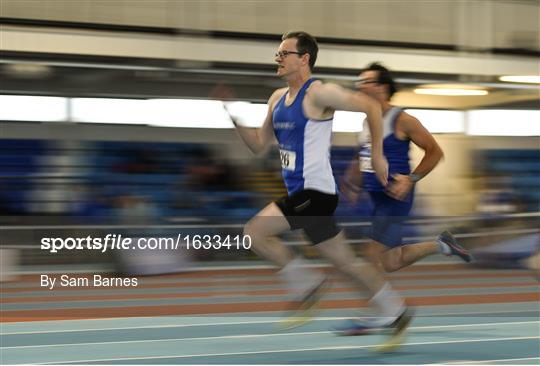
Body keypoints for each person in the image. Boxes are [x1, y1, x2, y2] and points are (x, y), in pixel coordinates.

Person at [226, 31, 412, 349]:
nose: (278, 58)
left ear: (304, 58)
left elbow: (370, 106)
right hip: (306, 196)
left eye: (284, 53)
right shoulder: (275, 100)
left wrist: (378, 154)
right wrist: (236, 119)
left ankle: (309, 287)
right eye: (277, 53)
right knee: (348, 263)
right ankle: (396, 312)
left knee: (254, 231)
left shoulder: (319, 93)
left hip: (315, 193)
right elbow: (258, 145)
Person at [340, 62, 472, 275]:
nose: (360, 87)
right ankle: (442, 244)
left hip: (395, 197)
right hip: (376, 197)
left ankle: (385, 305)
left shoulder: (402, 120)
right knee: (392, 261)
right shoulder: (367, 121)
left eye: (366, 82)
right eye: (360, 82)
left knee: (371, 253)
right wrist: (352, 182)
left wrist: (411, 179)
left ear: (382, 88)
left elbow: (435, 151)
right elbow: (364, 154)